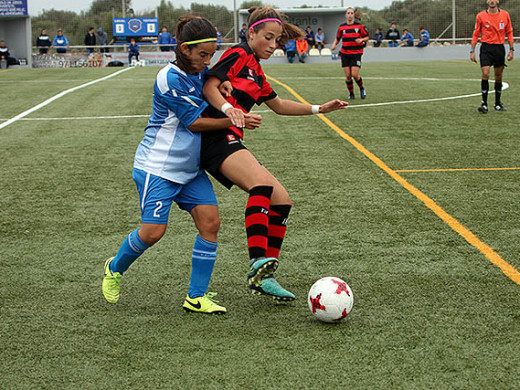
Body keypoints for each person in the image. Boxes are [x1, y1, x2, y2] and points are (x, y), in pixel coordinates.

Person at [102, 15, 261, 314]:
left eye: (211, 54)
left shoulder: (200, 72)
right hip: (158, 168)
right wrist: (236, 118)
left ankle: (196, 296)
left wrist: (222, 82)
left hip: (189, 170)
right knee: (152, 233)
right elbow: (193, 123)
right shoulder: (169, 77)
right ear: (184, 49)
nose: (207, 60)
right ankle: (114, 268)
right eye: (203, 54)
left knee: (211, 223)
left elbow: (212, 81)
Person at [201, 6, 349, 301]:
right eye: (267, 37)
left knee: (282, 200)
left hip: (230, 138)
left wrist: (320, 108)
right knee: (262, 187)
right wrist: (230, 109)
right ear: (251, 32)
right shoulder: (239, 54)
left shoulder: (257, 70)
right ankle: (257, 261)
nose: (272, 45)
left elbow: (279, 105)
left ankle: (264, 277)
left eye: (277, 40)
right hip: (214, 137)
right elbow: (210, 86)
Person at [471, 0, 514, 113]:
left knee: (498, 76)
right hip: (486, 48)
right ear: (487, 1)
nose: (492, 1)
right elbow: (476, 33)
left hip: (499, 48)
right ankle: (484, 104)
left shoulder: (505, 15)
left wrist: (511, 49)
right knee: (485, 73)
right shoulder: (480, 16)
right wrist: (472, 50)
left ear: (497, 1)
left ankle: (497, 103)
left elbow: (509, 32)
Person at [331, 7, 369, 100]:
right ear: (345, 15)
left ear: (354, 15)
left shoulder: (359, 27)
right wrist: (334, 44)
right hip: (345, 53)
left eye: (352, 13)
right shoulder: (341, 27)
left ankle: (362, 88)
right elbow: (338, 38)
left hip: (356, 53)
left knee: (355, 74)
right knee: (348, 76)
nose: (350, 15)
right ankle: (351, 94)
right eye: (348, 13)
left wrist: (361, 40)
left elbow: (367, 37)